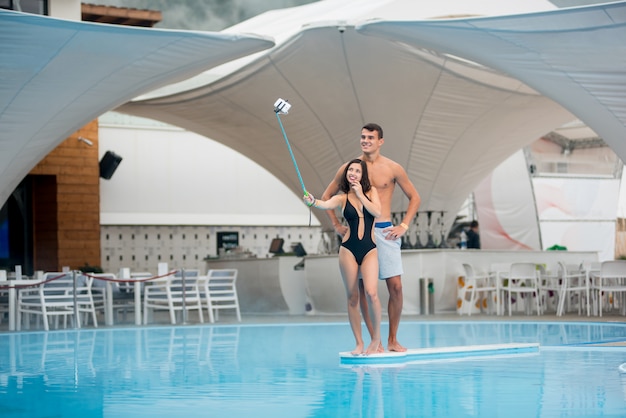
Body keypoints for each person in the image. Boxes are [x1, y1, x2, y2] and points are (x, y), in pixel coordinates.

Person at [321, 123, 421, 352]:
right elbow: (327, 196)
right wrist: (336, 225)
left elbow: (415, 197)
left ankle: (392, 339)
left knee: (395, 286)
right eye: (363, 137)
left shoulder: (393, 168)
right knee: (364, 290)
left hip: (385, 231)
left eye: (370, 137)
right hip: (361, 233)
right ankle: (373, 340)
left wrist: (404, 225)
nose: (365, 141)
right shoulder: (350, 168)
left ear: (380, 141)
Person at [304, 159, 382, 355]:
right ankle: (358, 343)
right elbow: (325, 203)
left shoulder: (371, 192)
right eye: (350, 170)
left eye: (357, 170)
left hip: (369, 249)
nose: (353, 173)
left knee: (372, 293)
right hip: (348, 249)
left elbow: (377, 212)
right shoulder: (342, 198)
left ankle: (376, 340)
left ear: (362, 175)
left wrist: (359, 194)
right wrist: (313, 201)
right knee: (352, 297)